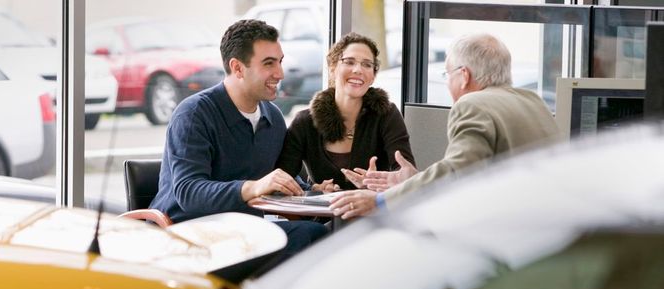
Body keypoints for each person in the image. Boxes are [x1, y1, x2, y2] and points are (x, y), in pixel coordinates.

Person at [328, 33, 560, 218]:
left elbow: (458, 171)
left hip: (502, 229)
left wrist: (380, 201)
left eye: (447, 74)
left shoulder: (473, 103)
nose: (448, 83)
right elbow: (475, 172)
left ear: (464, 75)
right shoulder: (533, 102)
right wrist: (413, 180)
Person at [150, 19, 327, 258]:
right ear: (238, 68)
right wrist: (253, 187)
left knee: (325, 234)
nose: (280, 73)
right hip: (188, 237)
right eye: (269, 63)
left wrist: (312, 190)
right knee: (310, 237)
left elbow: (275, 175)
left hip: (243, 234)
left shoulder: (272, 117)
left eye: (280, 62)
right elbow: (188, 192)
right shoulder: (194, 114)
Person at [277, 32, 414, 192]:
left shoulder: (386, 114)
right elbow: (281, 179)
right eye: (349, 62)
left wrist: (379, 186)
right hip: (321, 216)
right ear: (333, 67)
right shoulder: (304, 121)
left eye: (367, 64)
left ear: (373, 76)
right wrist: (313, 190)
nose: (358, 70)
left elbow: (406, 175)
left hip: (374, 214)